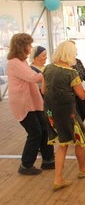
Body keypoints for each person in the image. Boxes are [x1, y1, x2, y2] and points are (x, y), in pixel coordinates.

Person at [43, 41, 85, 190]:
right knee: (79, 140)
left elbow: (43, 91)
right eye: (74, 52)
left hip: (51, 111)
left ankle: (59, 178)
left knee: (63, 144)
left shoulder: (48, 68)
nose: (76, 55)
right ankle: (82, 169)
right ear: (69, 54)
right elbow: (82, 95)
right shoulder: (71, 72)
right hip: (68, 112)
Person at [7, 34, 54, 175]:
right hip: (23, 103)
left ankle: (48, 160)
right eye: (29, 45)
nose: (31, 47)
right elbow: (32, 77)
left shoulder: (21, 62)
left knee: (44, 129)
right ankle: (26, 165)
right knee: (35, 133)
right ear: (22, 46)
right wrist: (49, 71)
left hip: (32, 101)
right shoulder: (14, 62)